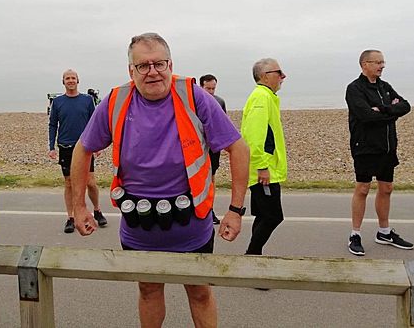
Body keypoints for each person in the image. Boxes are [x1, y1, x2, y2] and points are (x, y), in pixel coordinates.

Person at [72, 33, 249, 328]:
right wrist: (79, 207)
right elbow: (83, 148)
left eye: (159, 64)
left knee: (200, 292)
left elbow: (238, 148)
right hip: (138, 226)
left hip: (192, 223)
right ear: (131, 71)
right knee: (148, 289)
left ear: (171, 64)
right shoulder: (115, 101)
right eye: (143, 66)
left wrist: (236, 209)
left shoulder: (194, 96)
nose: (153, 71)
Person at [345, 50, 412, 256]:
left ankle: (384, 232)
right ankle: (355, 234)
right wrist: (391, 112)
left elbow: (405, 106)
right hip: (364, 147)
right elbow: (365, 116)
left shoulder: (385, 86)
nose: (382, 66)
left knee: (387, 188)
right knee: (363, 189)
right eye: (378, 62)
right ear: (365, 64)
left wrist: (381, 110)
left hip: (387, 147)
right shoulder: (354, 88)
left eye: (383, 62)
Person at [48, 69, 107, 233]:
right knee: (69, 184)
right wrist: (51, 147)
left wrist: (98, 145)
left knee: (90, 182)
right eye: (67, 78)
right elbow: (53, 125)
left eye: (73, 78)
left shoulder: (87, 100)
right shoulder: (58, 102)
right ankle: (71, 217)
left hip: (85, 146)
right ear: (63, 82)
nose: (70, 80)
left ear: (78, 80)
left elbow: (95, 123)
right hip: (66, 147)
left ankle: (97, 210)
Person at [241, 58, 287, 257]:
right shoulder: (261, 97)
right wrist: (262, 166)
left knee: (263, 216)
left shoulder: (266, 96)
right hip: (264, 171)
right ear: (264, 76)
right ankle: (251, 255)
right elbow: (253, 136)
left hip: (266, 169)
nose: (283, 76)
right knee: (273, 217)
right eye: (279, 72)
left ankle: (255, 257)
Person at [199, 74, 227, 225]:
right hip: (198, 149)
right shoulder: (194, 102)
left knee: (211, 180)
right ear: (201, 87)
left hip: (213, 148)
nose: (210, 92)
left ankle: (210, 210)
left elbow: (223, 127)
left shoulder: (219, 102)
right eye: (207, 88)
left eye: (213, 89)